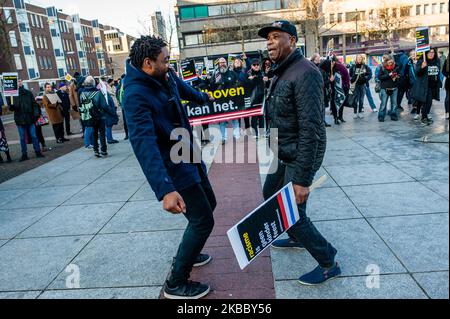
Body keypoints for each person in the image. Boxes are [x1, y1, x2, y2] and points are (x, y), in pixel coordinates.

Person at [123, 35, 216, 299]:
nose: (170, 64)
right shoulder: (134, 95)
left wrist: (204, 97)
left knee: (210, 203)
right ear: (147, 63)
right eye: (165, 60)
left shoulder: (164, 74)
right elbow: (144, 145)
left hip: (187, 152)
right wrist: (165, 189)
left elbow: (185, 90)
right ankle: (176, 282)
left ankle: (192, 248)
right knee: (202, 220)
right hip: (172, 166)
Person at [258, 21, 340, 285]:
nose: (269, 42)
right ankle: (296, 236)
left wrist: (303, 179)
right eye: (267, 38)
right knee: (271, 196)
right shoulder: (282, 70)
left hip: (301, 153)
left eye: (275, 37)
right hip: (283, 150)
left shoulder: (306, 72)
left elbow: (312, 128)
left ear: (292, 41)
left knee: (291, 212)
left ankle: (328, 262)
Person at [9, 80, 44, 161]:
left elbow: (34, 104)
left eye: (20, 81)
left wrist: (36, 115)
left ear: (22, 82)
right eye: (17, 81)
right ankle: (24, 154)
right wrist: (11, 105)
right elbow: (12, 108)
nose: (19, 82)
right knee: (22, 137)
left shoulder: (28, 93)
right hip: (19, 119)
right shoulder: (12, 94)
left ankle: (37, 151)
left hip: (30, 118)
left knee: (34, 136)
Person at [79, 76, 113, 157]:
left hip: (89, 116)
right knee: (101, 133)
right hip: (99, 116)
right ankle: (103, 150)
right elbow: (104, 105)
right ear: (93, 83)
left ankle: (96, 150)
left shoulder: (82, 94)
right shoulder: (98, 93)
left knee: (94, 133)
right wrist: (111, 111)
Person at [410, 48, 442, 126]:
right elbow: (417, 72)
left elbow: (438, 73)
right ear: (426, 54)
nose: (431, 54)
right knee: (427, 102)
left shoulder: (437, 61)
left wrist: (439, 82)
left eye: (433, 52)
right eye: (429, 52)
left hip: (433, 86)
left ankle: (425, 116)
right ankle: (424, 117)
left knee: (429, 102)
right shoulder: (422, 61)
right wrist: (422, 67)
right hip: (424, 86)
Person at [212, 57, 240, 144]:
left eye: (223, 62)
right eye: (220, 63)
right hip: (221, 102)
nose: (222, 64)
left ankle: (237, 136)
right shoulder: (216, 74)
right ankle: (223, 138)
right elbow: (212, 86)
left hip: (232, 101)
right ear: (218, 64)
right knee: (222, 121)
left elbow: (237, 83)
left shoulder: (232, 73)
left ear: (226, 63)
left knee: (234, 119)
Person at [246, 58, 266, 136]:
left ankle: (261, 133)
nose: (256, 66)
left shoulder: (263, 73)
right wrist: (249, 80)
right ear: (251, 66)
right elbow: (245, 85)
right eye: (254, 65)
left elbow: (267, 84)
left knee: (261, 116)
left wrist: (266, 80)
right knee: (254, 116)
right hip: (253, 98)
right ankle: (255, 133)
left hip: (261, 97)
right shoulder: (248, 73)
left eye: (257, 65)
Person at [377, 55, 400, 122]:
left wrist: (398, 76)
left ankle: (393, 115)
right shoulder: (382, 67)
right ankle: (381, 116)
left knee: (394, 103)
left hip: (394, 87)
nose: (391, 63)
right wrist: (389, 75)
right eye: (389, 62)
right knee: (383, 103)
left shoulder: (396, 67)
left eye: (392, 61)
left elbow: (400, 74)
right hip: (385, 88)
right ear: (386, 62)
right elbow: (380, 77)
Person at [349, 55, 371, 119]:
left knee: (361, 99)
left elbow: (369, 74)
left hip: (363, 85)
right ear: (356, 59)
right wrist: (352, 79)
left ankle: (360, 112)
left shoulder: (365, 66)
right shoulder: (353, 67)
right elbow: (349, 75)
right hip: (355, 85)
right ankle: (355, 112)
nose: (359, 59)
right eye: (358, 58)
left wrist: (365, 78)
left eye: (360, 58)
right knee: (355, 99)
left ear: (362, 59)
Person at [442, 54, 449, 119]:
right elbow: (443, 71)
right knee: (448, 97)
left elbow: (443, 71)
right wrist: (448, 75)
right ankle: (447, 112)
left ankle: (447, 112)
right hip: (448, 81)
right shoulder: (447, 61)